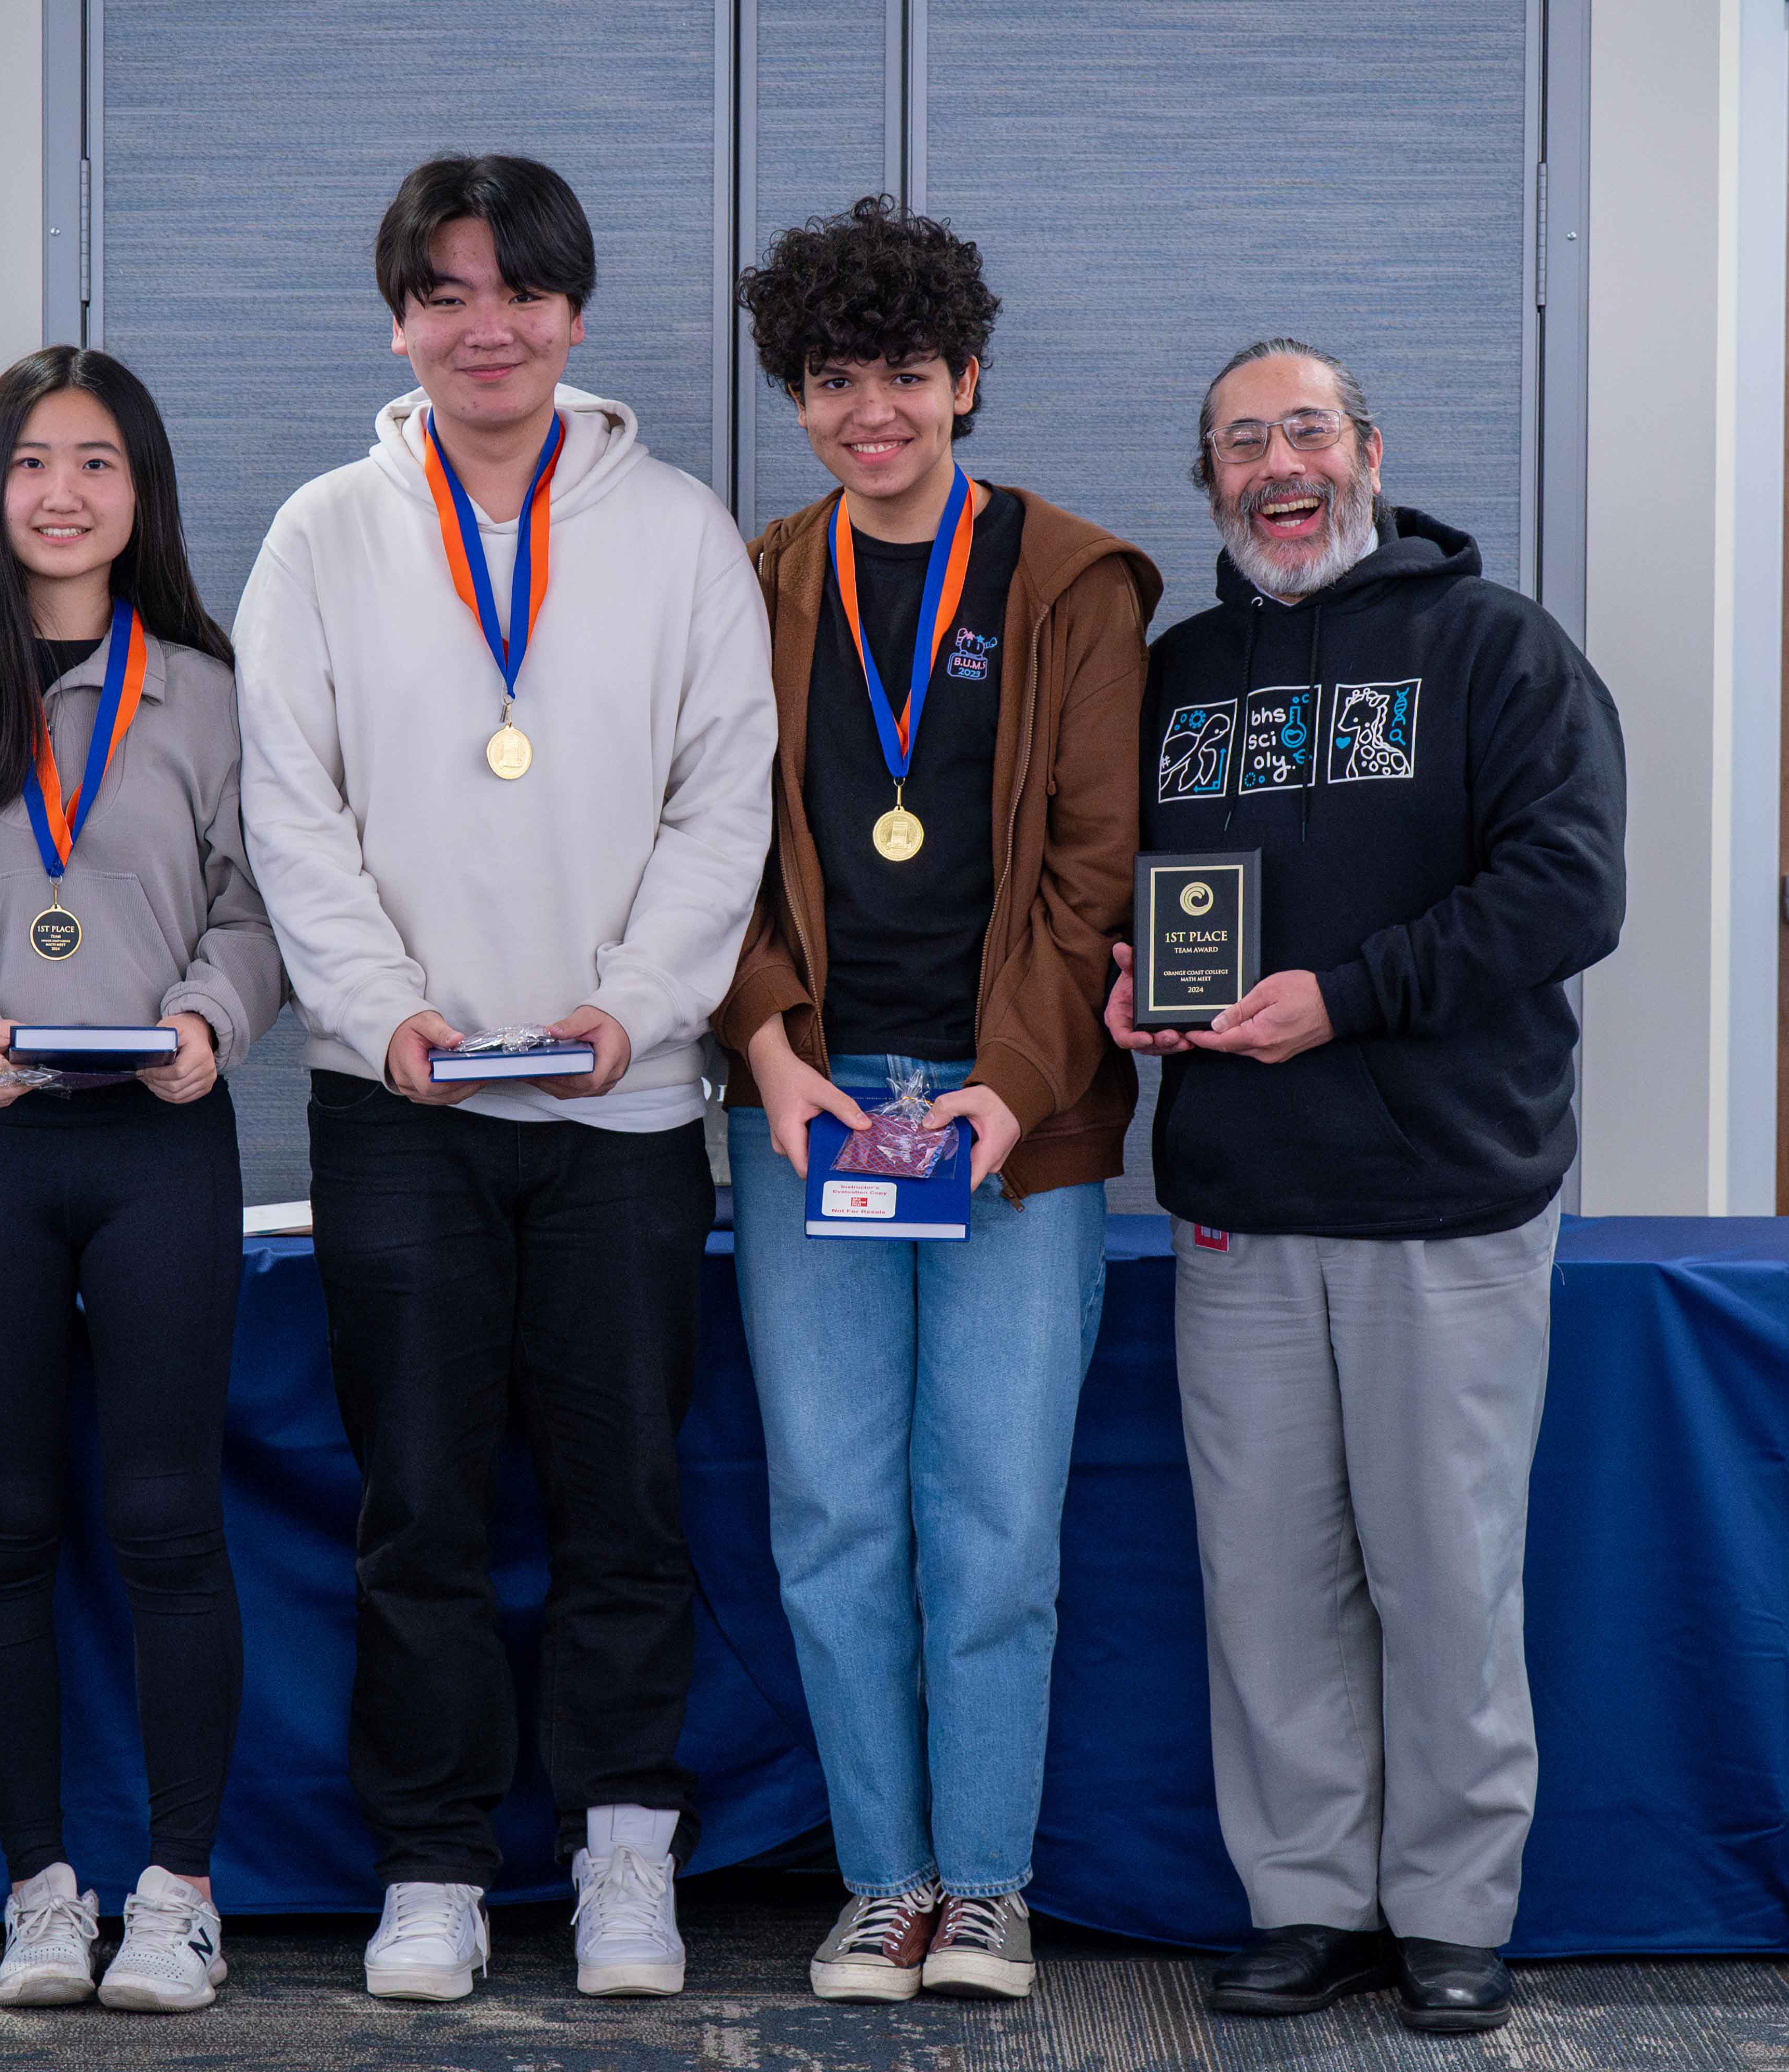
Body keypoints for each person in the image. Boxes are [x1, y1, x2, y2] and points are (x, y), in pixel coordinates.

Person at [233, 153, 775, 2003]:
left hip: (625, 1109)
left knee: (627, 1497)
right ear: (399, 320)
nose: (489, 326)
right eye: (448, 294)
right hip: (401, 1108)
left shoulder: (680, 528)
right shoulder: (323, 530)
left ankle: (628, 1848)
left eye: (521, 291)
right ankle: (435, 1869)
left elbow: (728, 802)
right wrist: (385, 1011)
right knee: (421, 1505)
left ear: (575, 310)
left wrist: (640, 1009)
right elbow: (286, 807)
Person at [1104, 339, 1626, 2036]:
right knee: (1266, 1586)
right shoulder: (1177, 677)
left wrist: (1349, 994)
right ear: (1211, 484)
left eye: (1305, 431)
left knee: (1447, 1577)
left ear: (1370, 451)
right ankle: (1307, 1903)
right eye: (1240, 442)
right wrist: (1123, 984)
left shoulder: (1497, 649)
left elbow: (1566, 893)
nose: (1278, 465)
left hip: (1448, 1200)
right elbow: (1120, 888)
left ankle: (1455, 1913)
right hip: (1241, 1200)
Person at [715, 197, 1159, 2005]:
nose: (870, 409)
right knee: (830, 1512)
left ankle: (985, 1884)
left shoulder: (1074, 580)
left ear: (967, 379)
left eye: (905, 371)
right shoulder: (750, 582)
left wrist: (1007, 1095)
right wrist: (768, 1050)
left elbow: (1091, 876)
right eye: (834, 379)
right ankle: (878, 1881)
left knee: (992, 1515)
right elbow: (706, 856)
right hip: (807, 1110)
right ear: (798, 399)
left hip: (1012, 1119)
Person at [0, 346, 280, 2015]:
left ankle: (178, 1891)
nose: (64, 493)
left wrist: (210, 1019)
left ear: (143, 494)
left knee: (169, 1522)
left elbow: (257, 910)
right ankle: (38, 1891)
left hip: (164, 1138)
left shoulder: (215, 692)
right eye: (32, 462)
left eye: (99, 462)